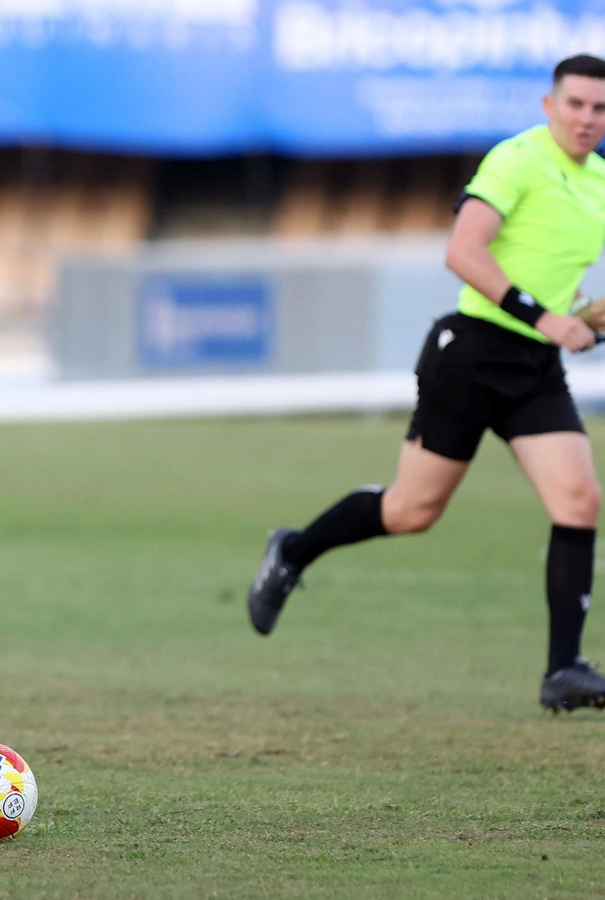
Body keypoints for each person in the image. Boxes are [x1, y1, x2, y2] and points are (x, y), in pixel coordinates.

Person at [247, 55, 605, 713]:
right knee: (412, 512)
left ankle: (563, 671)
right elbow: (462, 254)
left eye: (600, 109)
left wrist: (583, 316)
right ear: (549, 104)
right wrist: (547, 317)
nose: (587, 118)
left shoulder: (599, 183)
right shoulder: (516, 160)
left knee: (580, 499)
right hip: (468, 355)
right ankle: (293, 549)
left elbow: (558, 283)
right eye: (576, 104)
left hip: (533, 369)